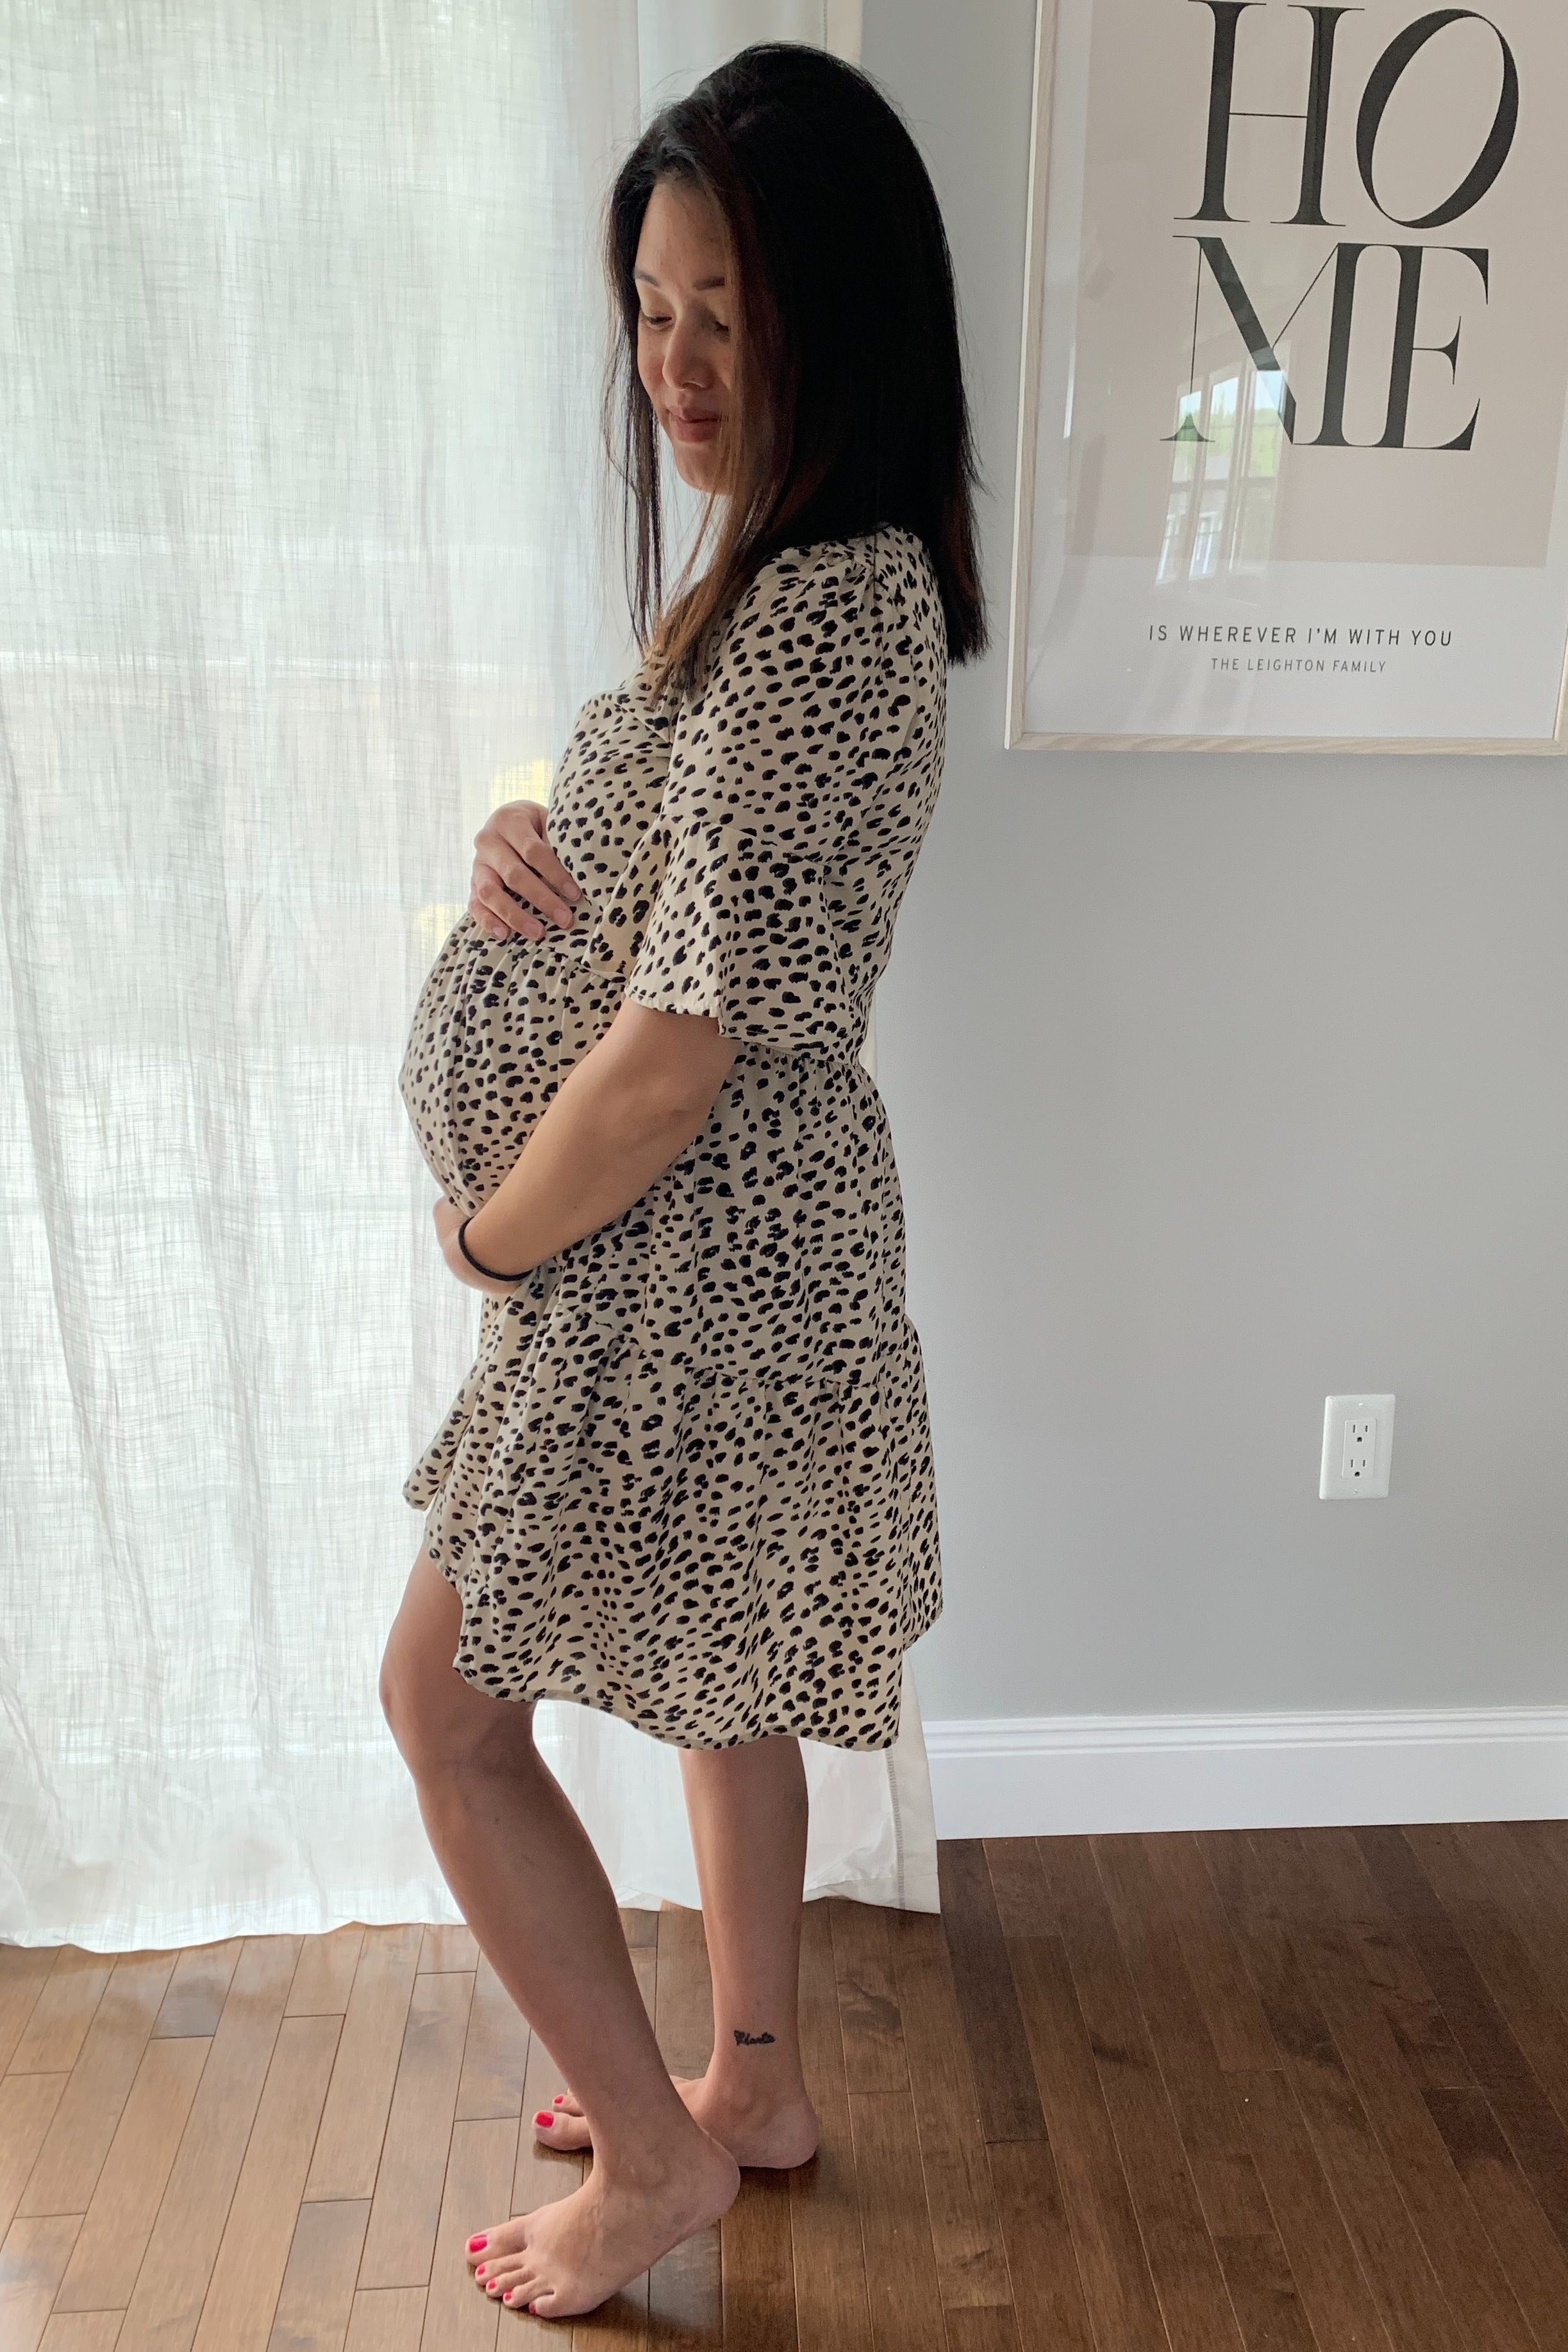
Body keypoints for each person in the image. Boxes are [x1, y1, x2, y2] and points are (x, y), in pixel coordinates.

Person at [378, 39, 986, 2321]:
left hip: (678, 1256)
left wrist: (484, 1234)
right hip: (731, 1247)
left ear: (845, 313)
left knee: (445, 1711)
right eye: (650, 308)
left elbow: (669, 1063)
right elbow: (675, 903)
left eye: (727, 310)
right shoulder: (795, 570)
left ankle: (654, 2166)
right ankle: (747, 2086)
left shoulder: (825, 611)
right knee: (728, 1671)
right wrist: (524, 843)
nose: (676, 365)